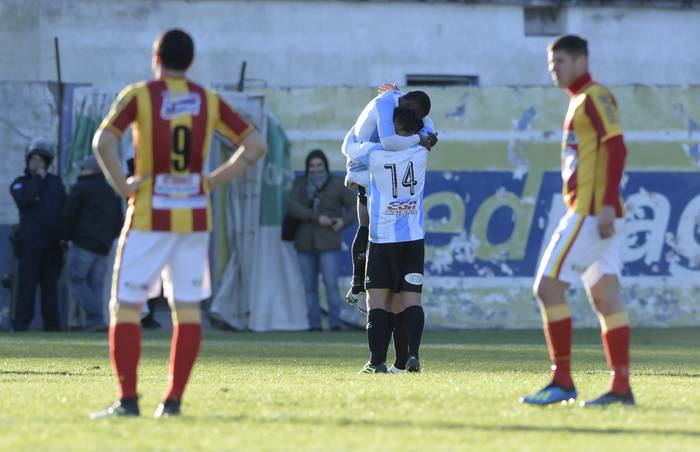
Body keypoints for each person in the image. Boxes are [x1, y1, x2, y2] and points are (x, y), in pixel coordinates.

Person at [90, 28, 267, 419]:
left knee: (126, 308)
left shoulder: (140, 95)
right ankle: (172, 403)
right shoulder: (208, 100)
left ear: (156, 58)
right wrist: (210, 181)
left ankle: (129, 401)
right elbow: (255, 145)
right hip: (194, 217)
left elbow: (103, 141)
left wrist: (124, 185)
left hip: (149, 216)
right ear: (190, 62)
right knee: (186, 310)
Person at [520, 34, 633, 406]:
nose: (555, 69)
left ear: (582, 60)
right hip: (596, 211)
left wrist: (602, 205)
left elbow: (616, 147)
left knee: (547, 287)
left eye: (561, 62)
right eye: (552, 63)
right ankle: (620, 389)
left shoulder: (594, 97)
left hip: (589, 213)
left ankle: (562, 380)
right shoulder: (578, 101)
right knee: (605, 298)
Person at [342, 86, 437, 373]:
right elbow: (427, 132)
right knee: (411, 300)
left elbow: (348, 146)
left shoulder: (376, 153)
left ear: (394, 126)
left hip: (383, 238)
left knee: (377, 300)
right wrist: (423, 134)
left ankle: (376, 362)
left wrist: (358, 127)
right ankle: (413, 356)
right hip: (413, 237)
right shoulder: (422, 151)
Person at [286, 149, 355, 331]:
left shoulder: (337, 184)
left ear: (325, 166)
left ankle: (335, 324)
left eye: (319, 165)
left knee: (331, 285)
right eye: (312, 166)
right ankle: (314, 324)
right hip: (304, 241)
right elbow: (292, 206)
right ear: (307, 167)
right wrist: (316, 217)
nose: (315, 169)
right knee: (309, 287)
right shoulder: (300, 184)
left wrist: (342, 222)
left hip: (329, 242)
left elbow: (354, 207)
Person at [9, 138, 66, 331]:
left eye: (41, 160)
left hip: (52, 245)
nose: (37, 163)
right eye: (33, 159)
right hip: (30, 246)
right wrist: (38, 179)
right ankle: (21, 323)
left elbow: (63, 209)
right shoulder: (20, 184)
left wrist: (63, 236)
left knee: (50, 288)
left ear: (47, 163)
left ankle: (53, 325)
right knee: (27, 287)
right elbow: (25, 200)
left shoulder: (56, 183)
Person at [63, 156, 123, 332]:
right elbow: (118, 219)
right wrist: (109, 238)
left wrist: (65, 236)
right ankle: (95, 322)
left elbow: (69, 215)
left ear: (90, 170)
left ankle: (96, 317)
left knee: (75, 280)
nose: (81, 171)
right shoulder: (110, 189)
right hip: (103, 247)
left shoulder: (81, 187)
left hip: (83, 243)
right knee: (95, 285)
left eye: (84, 169)